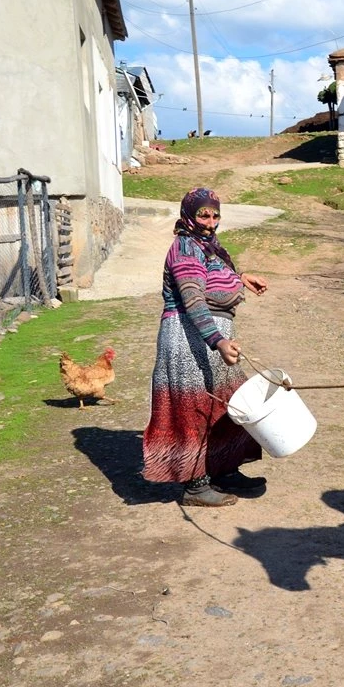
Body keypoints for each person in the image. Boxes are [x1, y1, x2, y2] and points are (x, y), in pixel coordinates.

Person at [142, 187, 270, 506]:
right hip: (189, 339)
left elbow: (213, 277)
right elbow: (194, 300)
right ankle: (196, 485)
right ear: (189, 215)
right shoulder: (185, 246)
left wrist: (241, 277)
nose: (210, 220)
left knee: (228, 405)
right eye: (203, 214)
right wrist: (218, 340)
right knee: (195, 409)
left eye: (215, 214)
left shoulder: (208, 246)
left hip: (210, 338)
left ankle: (223, 469)